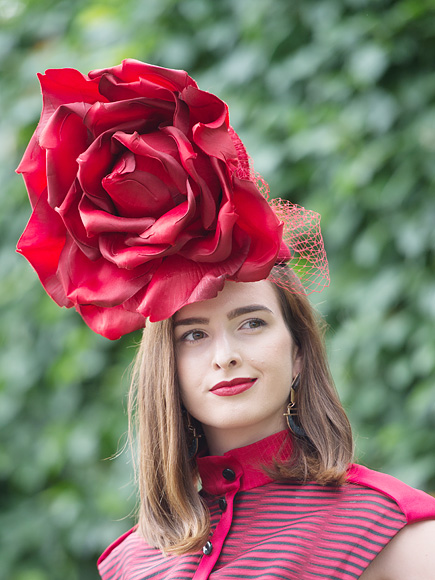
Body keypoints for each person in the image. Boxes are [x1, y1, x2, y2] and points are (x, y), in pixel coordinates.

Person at [16, 60, 435, 580]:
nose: (226, 354)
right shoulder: (130, 562)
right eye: (193, 334)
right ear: (164, 368)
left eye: (252, 323)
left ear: (299, 348)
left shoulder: (388, 528)